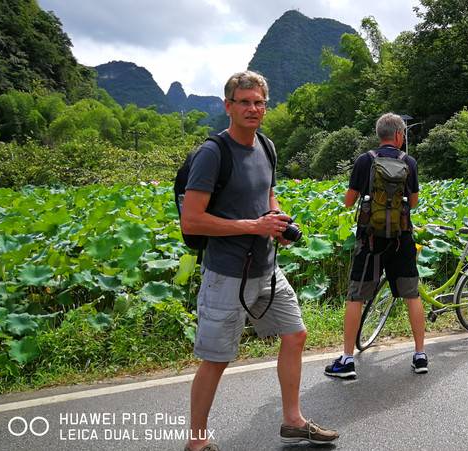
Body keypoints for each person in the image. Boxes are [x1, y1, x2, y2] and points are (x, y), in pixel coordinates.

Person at [181, 71, 338, 450]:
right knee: (216, 359)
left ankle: (293, 420)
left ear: (265, 107)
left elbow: (269, 196)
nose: (252, 109)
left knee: (295, 335)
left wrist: (278, 221)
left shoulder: (266, 147)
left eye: (259, 102)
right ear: (228, 106)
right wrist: (254, 226)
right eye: (244, 102)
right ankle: (197, 441)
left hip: (267, 269)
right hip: (226, 274)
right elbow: (193, 218)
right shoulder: (212, 154)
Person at [324, 113, 427, 380]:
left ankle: (347, 360)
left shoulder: (364, 160)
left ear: (380, 134)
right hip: (401, 237)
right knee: (411, 295)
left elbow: (349, 201)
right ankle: (419, 355)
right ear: (398, 135)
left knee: (356, 296)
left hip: (370, 238)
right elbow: (413, 203)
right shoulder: (409, 162)